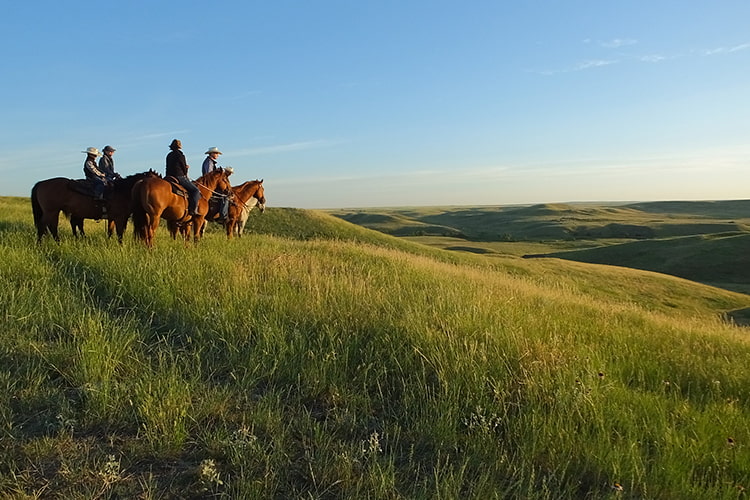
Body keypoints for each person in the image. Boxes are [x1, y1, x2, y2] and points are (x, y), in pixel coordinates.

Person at [165, 139, 201, 215]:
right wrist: (186, 169)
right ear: (180, 146)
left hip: (169, 176)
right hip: (179, 176)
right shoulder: (180, 155)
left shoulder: (169, 155)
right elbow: (183, 167)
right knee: (195, 191)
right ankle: (193, 210)